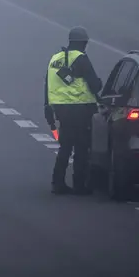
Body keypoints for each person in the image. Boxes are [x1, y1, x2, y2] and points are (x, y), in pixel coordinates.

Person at [44, 26, 103, 195]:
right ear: (84, 43)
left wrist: (47, 106)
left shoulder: (55, 58)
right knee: (82, 147)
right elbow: (94, 85)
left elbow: (47, 83)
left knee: (65, 146)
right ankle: (79, 185)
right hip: (80, 109)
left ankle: (58, 182)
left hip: (61, 109)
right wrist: (98, 84)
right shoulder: (81, 58)